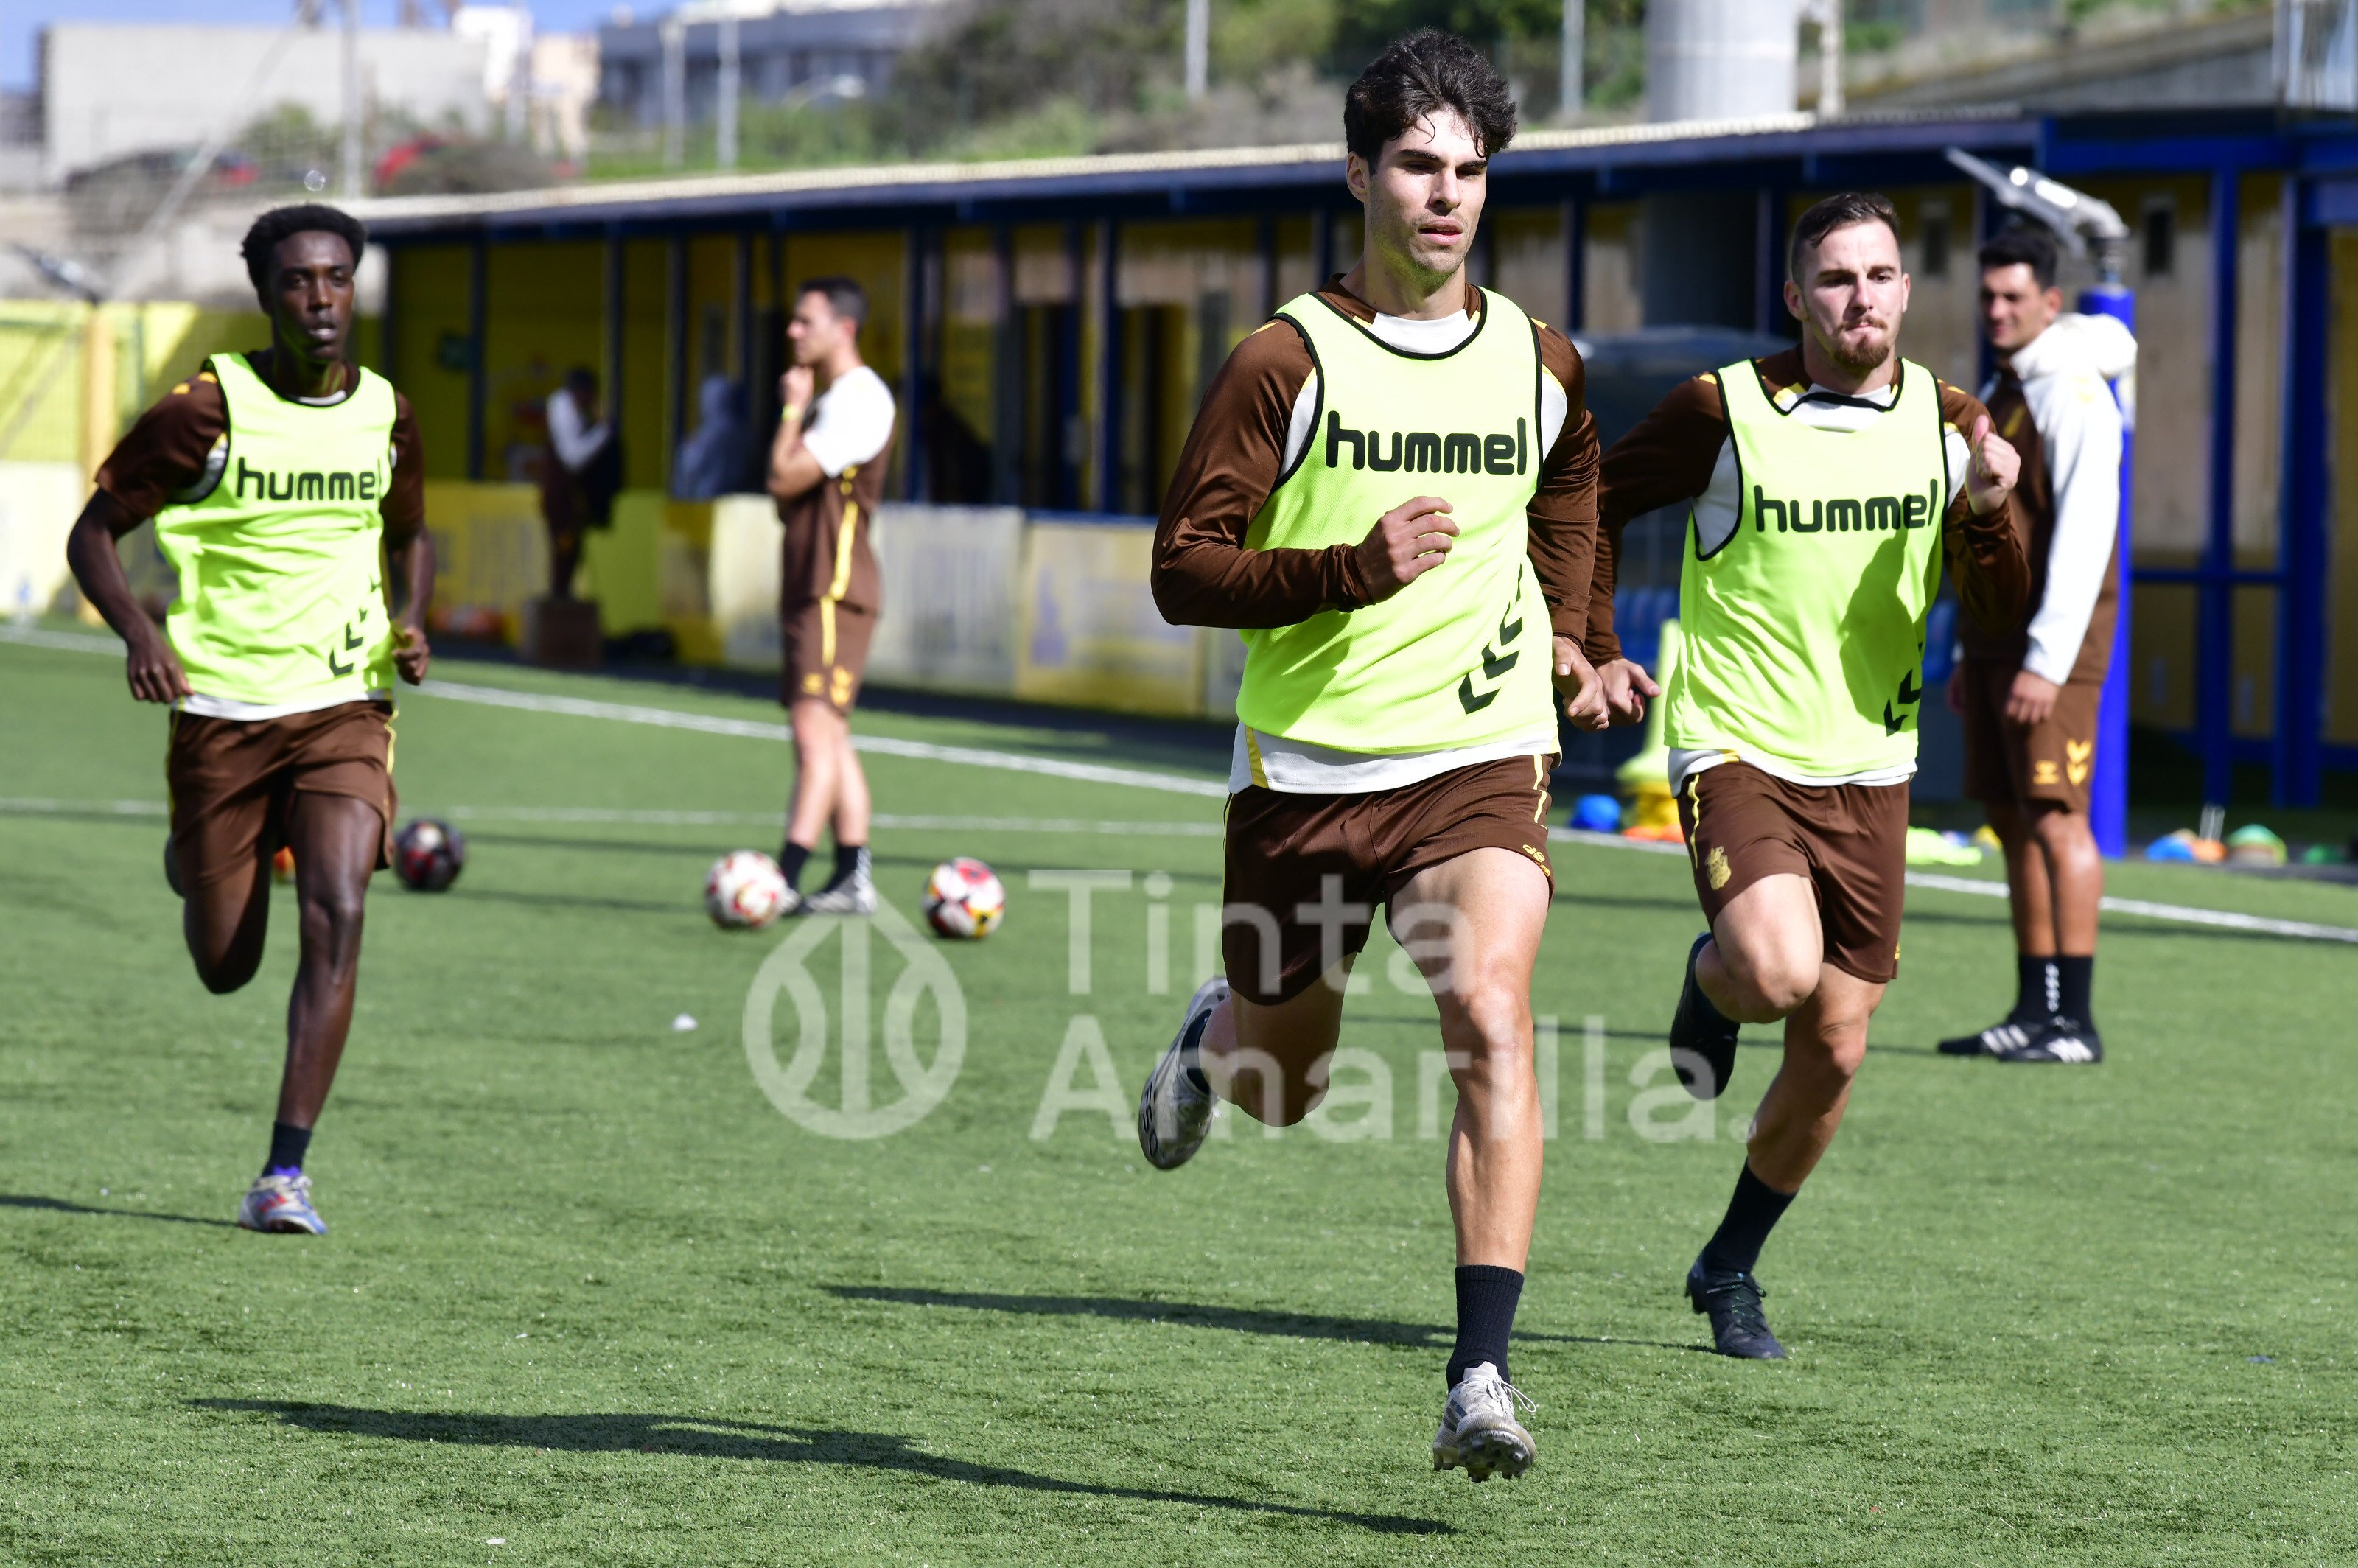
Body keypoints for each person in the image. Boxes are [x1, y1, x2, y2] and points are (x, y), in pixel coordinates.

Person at [1139, 29, 1610, 1482]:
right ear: (1359, 172)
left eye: (1469, 170)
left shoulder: (1539, 358)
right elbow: (1182, 570)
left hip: (1478, 755)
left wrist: (1575, 634)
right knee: (1289, 1083)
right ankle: (1226, 1036)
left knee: (1489, 1008)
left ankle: (1479, 1368)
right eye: (1417, 164)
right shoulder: (1283, 358)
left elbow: (1573, 491)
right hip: (1305, 774)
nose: (1445, 195)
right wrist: (1349, 566)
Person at [1586, 192, 2029, 1359]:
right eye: (1837, 278)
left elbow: (2001, 603)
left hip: (1874, 769)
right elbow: (1587, 496)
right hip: (1736, 745)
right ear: (1797, 296)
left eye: (1881, 275)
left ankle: (1729, 1267)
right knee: (1778, 973)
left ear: (1905, 290)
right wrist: (1589, 641)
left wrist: (1991, 513)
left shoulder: (1951, 420)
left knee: (1836, 1046)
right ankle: (1719, 969)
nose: (1862, 297)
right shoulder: (1722, 408)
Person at [63, 203, 432, 1235]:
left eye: (336, 279)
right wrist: (140, 631)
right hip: (222, 710)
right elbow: (94, 533)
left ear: (354, 289)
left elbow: (413, 533)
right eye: (299, 282)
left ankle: (284, 1173)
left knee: (341, 911)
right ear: (267, 296)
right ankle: (202, 856)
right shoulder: (204, 412)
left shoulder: (388, 414)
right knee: (227, 965)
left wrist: (411, 620)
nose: (320, 300)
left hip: (343, 701)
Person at [1939, 225, 2133, 1065]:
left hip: (2049, 653)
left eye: (2013, 296)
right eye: (1987, 296)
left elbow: (2088, 533)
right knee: (2009, 821)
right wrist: (1962, 649)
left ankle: (2076, 1024)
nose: (1996, 309)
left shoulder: (2074, 392)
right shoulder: (2001, 383)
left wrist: (2047, 663)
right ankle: (2030, 1009)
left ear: (2050, 303)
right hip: (1991, 644)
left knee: (2057, 820)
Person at [766, 276, 897, 916]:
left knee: (812, 731)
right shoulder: (839, 398)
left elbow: (784, 475)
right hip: (817, 583)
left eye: (805, 321)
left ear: (844, 328)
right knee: (831, 734)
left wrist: (792, 408)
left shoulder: (858, 399)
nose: (793, 332)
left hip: (833, 586)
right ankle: (852, 874)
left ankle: (784, 875)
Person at [541, 366, 616, 599]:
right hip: (561, 501)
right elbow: (574, 458)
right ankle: (559, 602)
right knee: (565, 550)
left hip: (569, 501)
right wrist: (603, 433)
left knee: (570, 551)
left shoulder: (572, 412)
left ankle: (562, 598)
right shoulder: (564, 412)